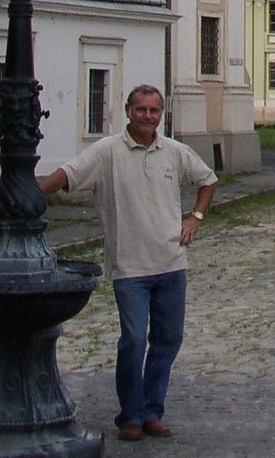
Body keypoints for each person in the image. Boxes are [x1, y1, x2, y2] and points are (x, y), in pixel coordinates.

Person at [40, 84, 217, 442]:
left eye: (154, 111)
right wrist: (31, 193)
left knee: (167, 340)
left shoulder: (174, 152)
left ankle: (152, 411)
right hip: (130, 267)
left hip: (171, 263)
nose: (147, 117)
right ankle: (130, 415)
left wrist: (195, 216)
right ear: (127, 111)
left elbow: (208, 180)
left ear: (161, 114)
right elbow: (69, 174)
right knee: (134, 341)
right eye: (141, 110)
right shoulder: (107, 152)